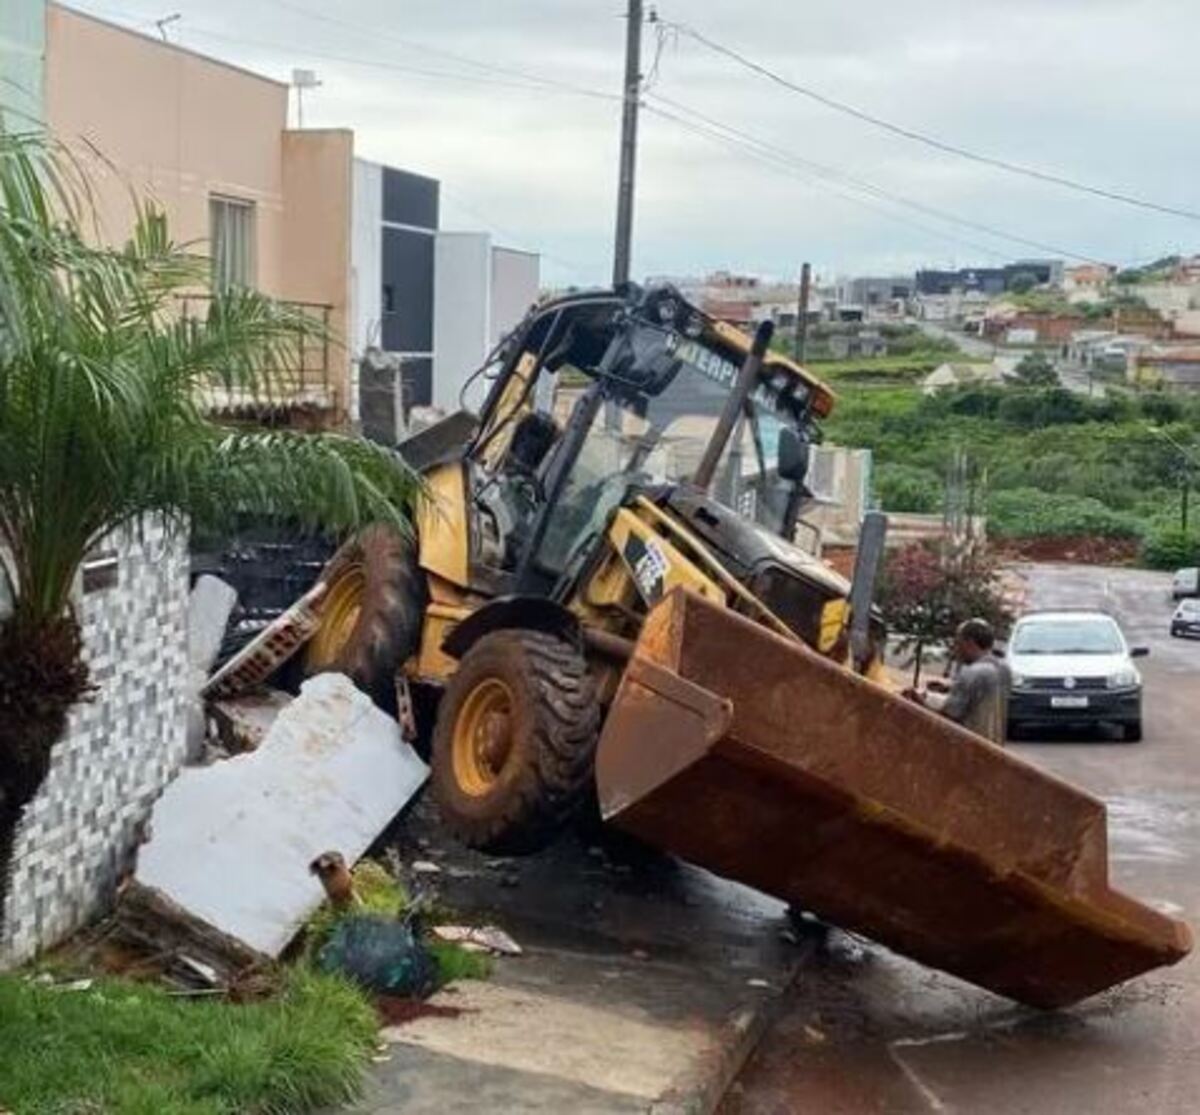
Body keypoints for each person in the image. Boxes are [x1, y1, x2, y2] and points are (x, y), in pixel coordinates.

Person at [906, 618, 1010, 745]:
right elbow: (981, 695)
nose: (956, 649)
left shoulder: (971, 673)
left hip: (972, 747)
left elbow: (949, 716)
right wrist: (950, 687)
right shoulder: (1004, 670)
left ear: (969, 642)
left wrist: (919, 701)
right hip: (995, 744)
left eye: (958, 643)